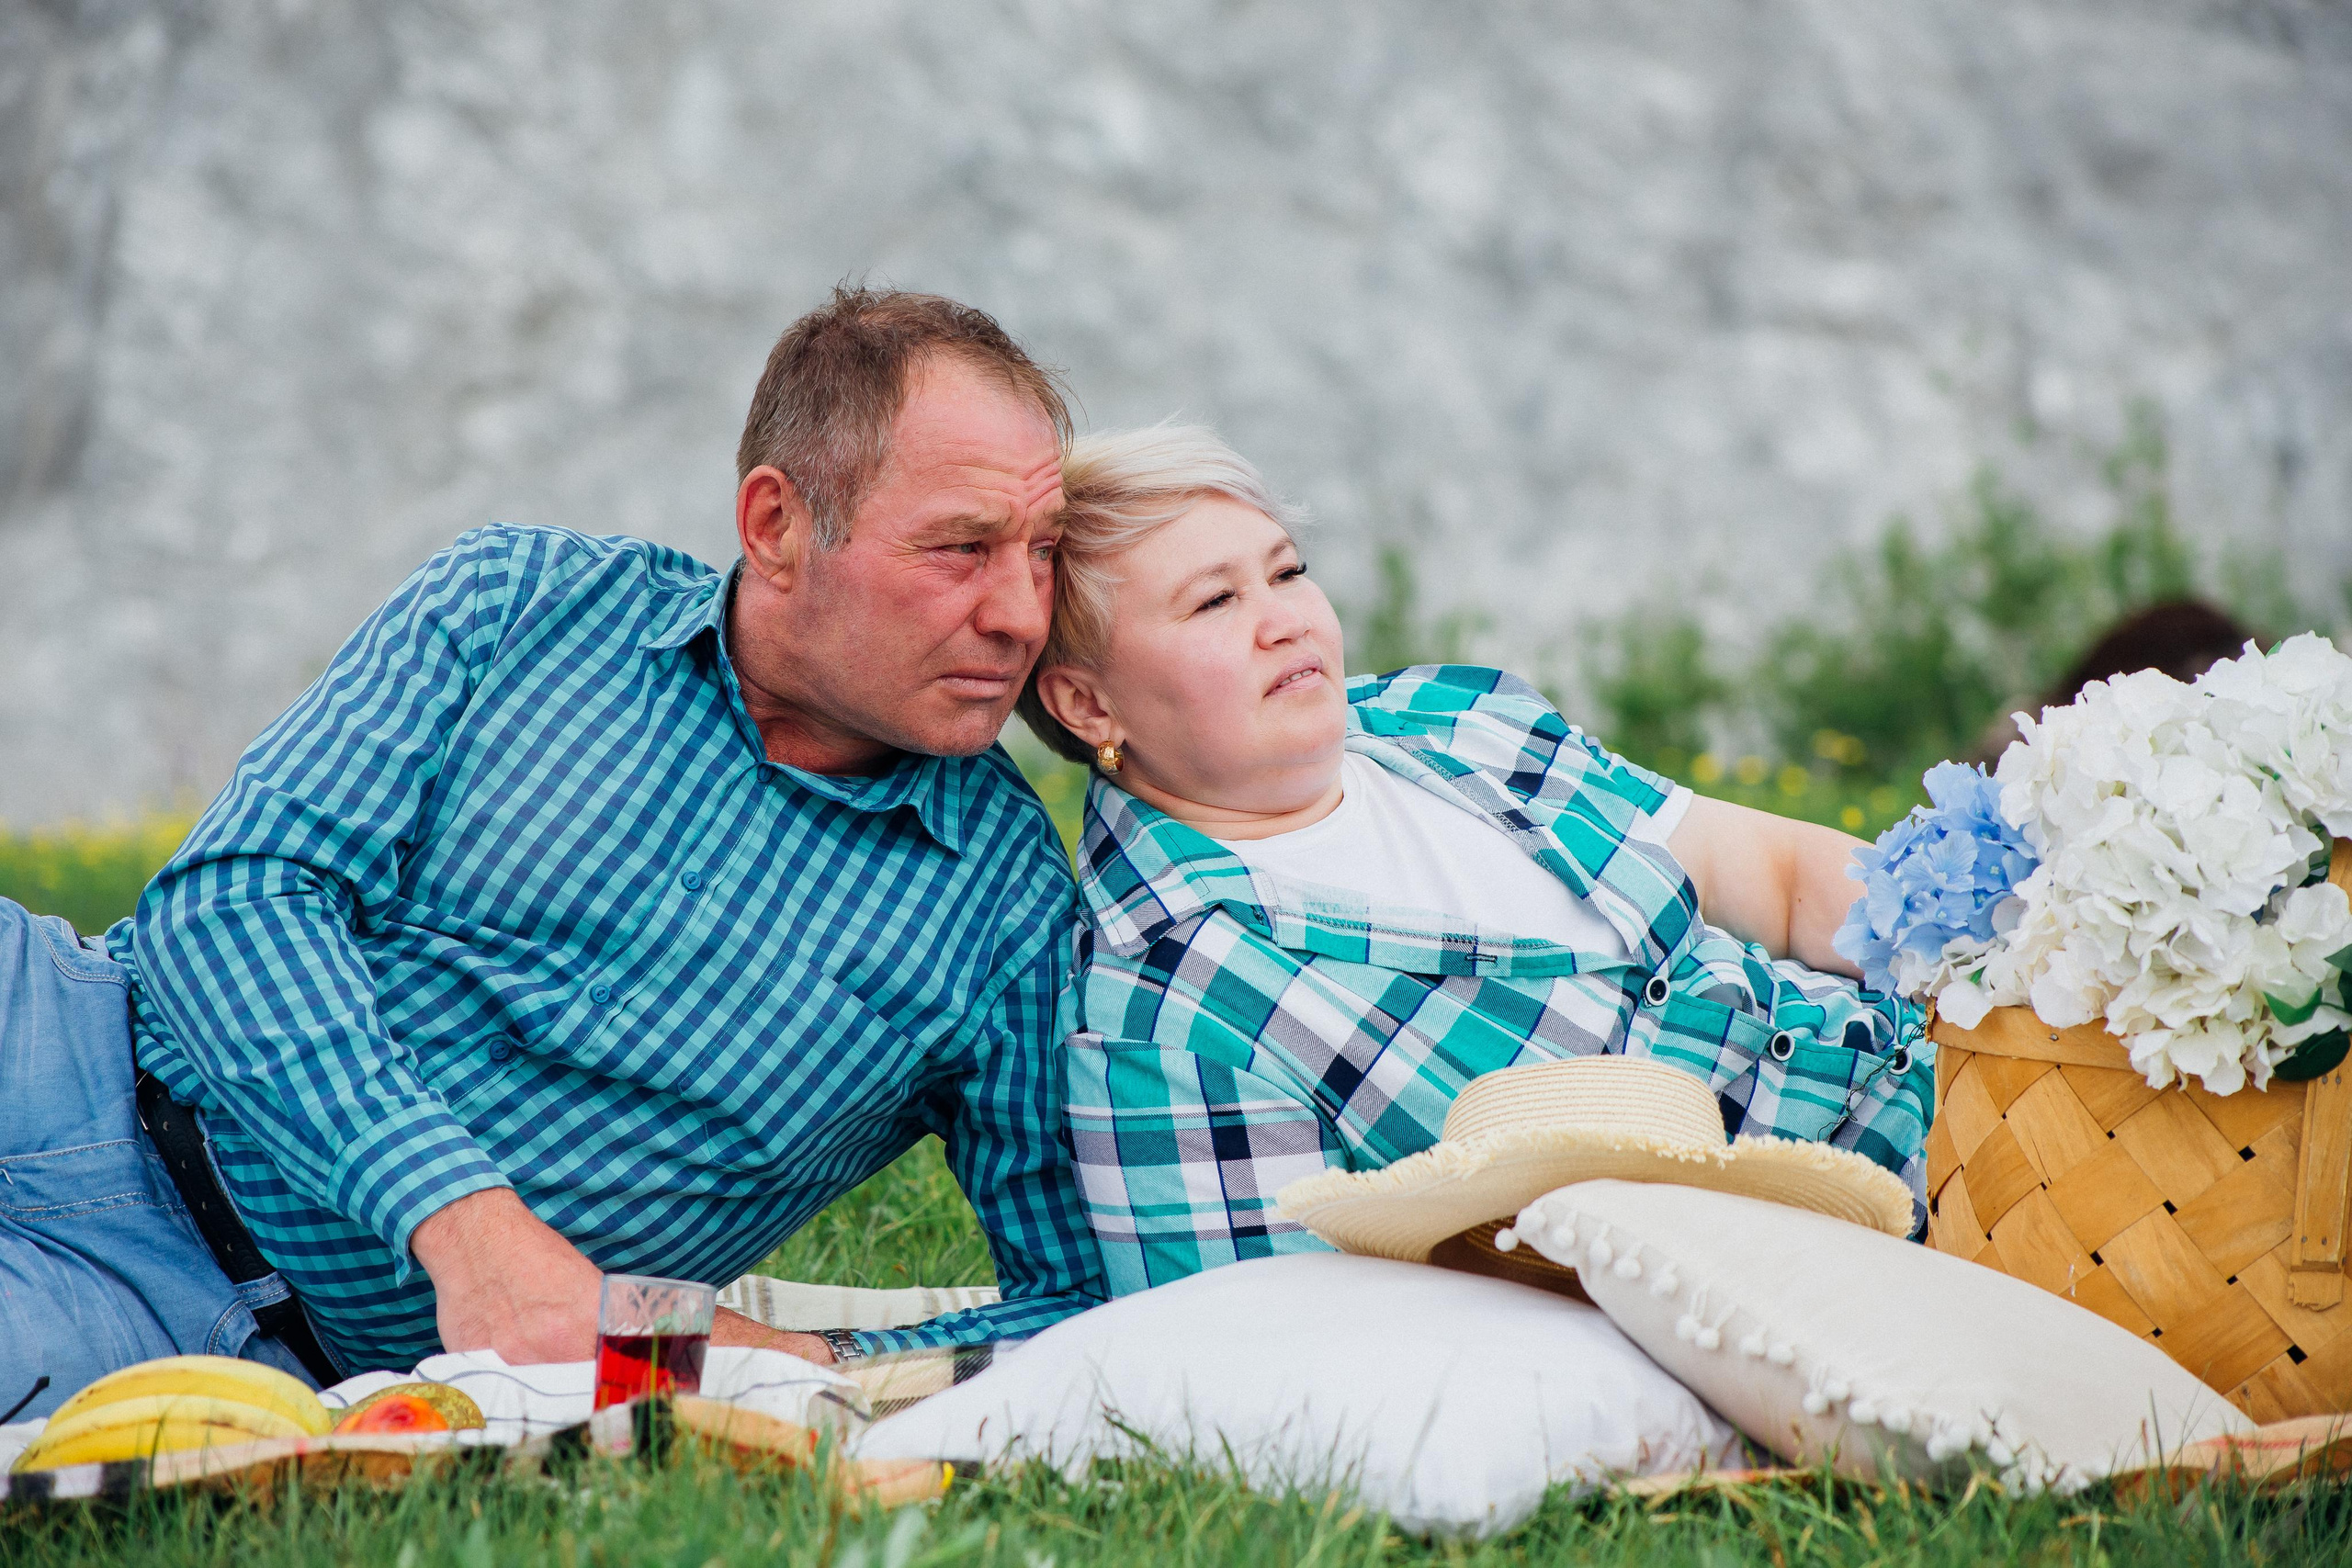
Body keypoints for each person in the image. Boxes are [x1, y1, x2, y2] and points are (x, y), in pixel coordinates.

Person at [0, 288, 1104, 1418]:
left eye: (1045, 551)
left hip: (198, 1324)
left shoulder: (1006, 910)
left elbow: (1082, 1304)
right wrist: (465, 1224)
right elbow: (229, 901)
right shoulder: (519, 604)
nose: (1020, 612)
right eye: (960, 549)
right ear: (775, 525)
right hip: (64, 1026)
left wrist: (747, 1361)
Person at [1016, 425, 1932, 1297]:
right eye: (1215, 601)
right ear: (1089, 706)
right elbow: (1275, 1338)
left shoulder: (1450, 723)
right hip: (1833, 1266)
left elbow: (1770, 874)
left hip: (1973, 1073)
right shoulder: (1168, 1012)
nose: (1284, 621)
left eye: (1287, 572)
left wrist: (1995, 945)